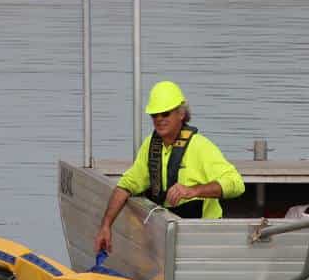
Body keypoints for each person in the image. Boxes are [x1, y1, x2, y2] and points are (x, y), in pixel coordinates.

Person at [93, 80, 244, 254]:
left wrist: (194, 191)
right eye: (154, 115)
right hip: (168, 235)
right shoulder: (151, 145)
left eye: (165, 114)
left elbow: (236, 183)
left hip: (204, 236)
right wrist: (106, 226)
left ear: (181, 114)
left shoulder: (201, 147)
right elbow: (127, 185)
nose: (159, 120)